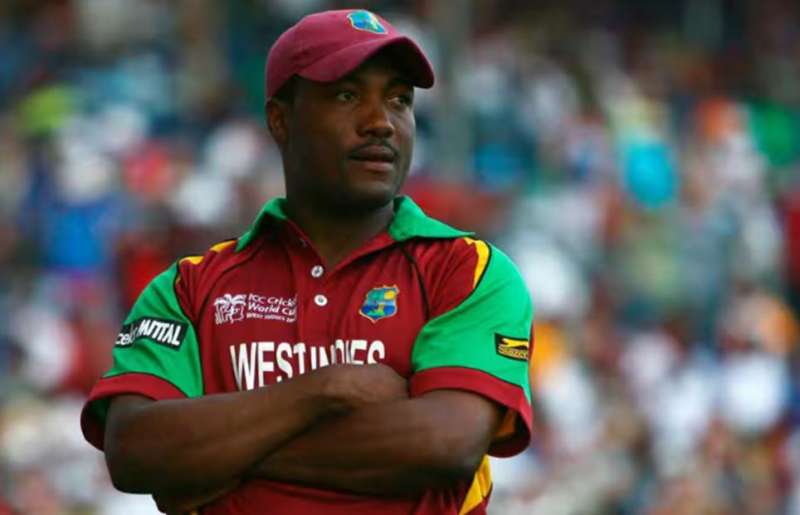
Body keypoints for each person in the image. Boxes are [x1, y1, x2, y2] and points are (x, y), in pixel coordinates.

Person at [80, 8, 534, 515]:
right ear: (280, 120)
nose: (381, 122)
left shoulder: (469, 271)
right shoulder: (189, 287)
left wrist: (214, 458)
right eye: (347, 96)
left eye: (399, 100)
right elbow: (134, 451)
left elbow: (445, 443)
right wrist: (326, 389)